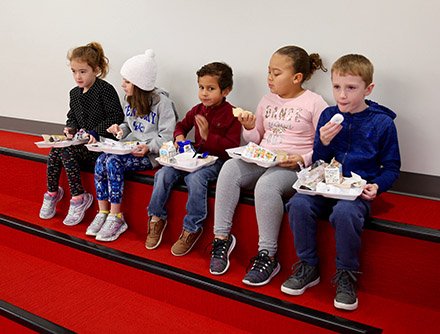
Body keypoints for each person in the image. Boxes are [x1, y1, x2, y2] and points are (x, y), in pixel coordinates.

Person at [281, 54, 401, 311]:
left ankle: (347, 274)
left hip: (356, 193)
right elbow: (320, 161)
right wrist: (322, 143)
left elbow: (391, 168)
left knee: (345, 213)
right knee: (299, 204)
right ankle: (308, 265)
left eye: (351, 88)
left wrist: (377, 185)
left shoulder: (382, 123)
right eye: (336, 87)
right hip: (324, 187)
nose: (342, 95)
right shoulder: (327, 115)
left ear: (368, 89)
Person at [209, 45, 328, 286]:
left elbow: (325, 145)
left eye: (276, 73)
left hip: (291, 166)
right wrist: (250, 126)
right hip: (263, 158)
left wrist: (301, 158)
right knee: (230, 167)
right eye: (268, 72)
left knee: (267, 185)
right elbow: (255, 139)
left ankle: (267, 255)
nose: (270, 78)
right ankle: (221, 239)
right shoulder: (266, 100)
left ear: (297, 78)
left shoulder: (315, 103)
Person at [146, 62, 241, 256]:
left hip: (217, 161)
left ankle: (192, 228)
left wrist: (207, 136)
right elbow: (181, 125)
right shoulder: (197, 109)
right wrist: (179, 136)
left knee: (195, 179)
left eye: (211, 89)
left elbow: (230, 147)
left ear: (226, 90)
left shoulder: (232, 114)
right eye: (201, 87)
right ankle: (156, 218)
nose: (204, 93)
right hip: (193, 158)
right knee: (163, 173)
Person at [86, 49, 178, 242]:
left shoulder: (163, 103)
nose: (123, 85)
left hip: (150, 156)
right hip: (130, 148)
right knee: (101, 159)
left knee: (113, 163)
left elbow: (167, 136)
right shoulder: (129, 100)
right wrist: (119, 130)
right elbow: (129, 124)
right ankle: (103, 212)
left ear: (140, 83)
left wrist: (149, 147)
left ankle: (117, 217)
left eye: (127, 81)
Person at [39, 42, 124, 226]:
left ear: (96, 70)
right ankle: (52, 193)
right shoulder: (74, 94)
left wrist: (96, 132)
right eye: (74, 71)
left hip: (99, 147)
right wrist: (70, 128)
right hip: (81, 144)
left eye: (83, 71)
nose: (78, 76)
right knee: (56, 150)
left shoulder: (105, 90)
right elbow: (72, 117)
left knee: (66, 152)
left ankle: (79, 198)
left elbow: (116, 116)